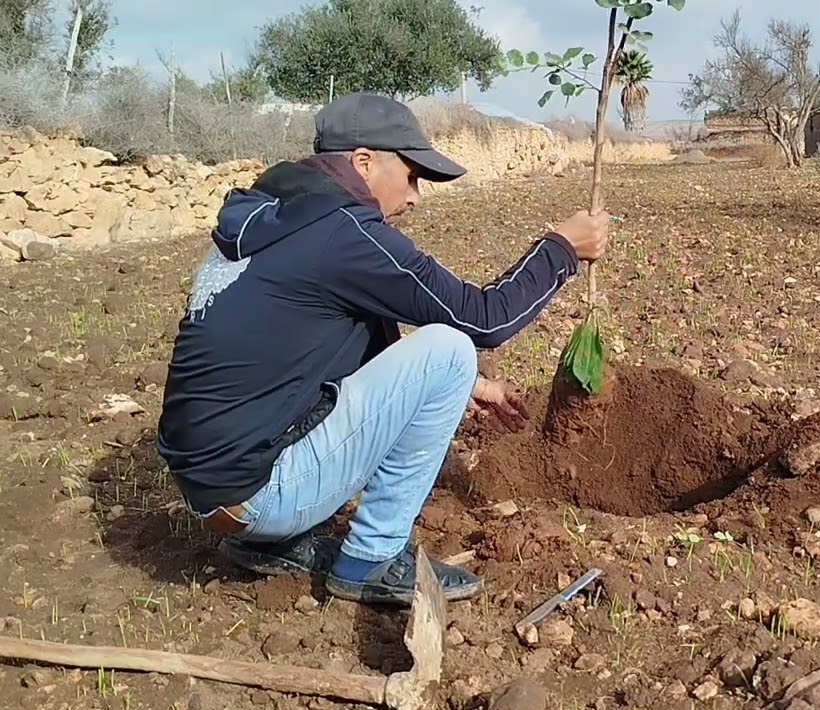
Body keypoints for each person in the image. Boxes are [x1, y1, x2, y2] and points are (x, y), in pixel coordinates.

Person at [156, 92, 609, 606]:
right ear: (364, 162)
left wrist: (473, 386)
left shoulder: (274, 216)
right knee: (451, 350)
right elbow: (483, 318)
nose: (414, 197)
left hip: (211, 490)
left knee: (431, 352)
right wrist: (561, 248)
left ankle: (271, 542)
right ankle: (371, 558)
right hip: (259, 494)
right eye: (412, 176)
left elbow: (320, 339)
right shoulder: (343, 232)